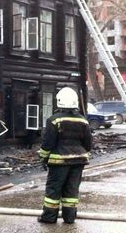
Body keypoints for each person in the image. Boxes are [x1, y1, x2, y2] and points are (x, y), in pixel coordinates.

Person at [38, 87, 93, 224]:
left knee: (54, 189)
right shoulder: (83, 120)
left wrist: (43, 157)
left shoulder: (54, 120)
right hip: (79, 161)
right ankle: (69, 218)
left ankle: (49, 217)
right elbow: (88, 143)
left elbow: (48, 142)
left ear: (59, 102)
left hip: (59, 162)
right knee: (72, 190)